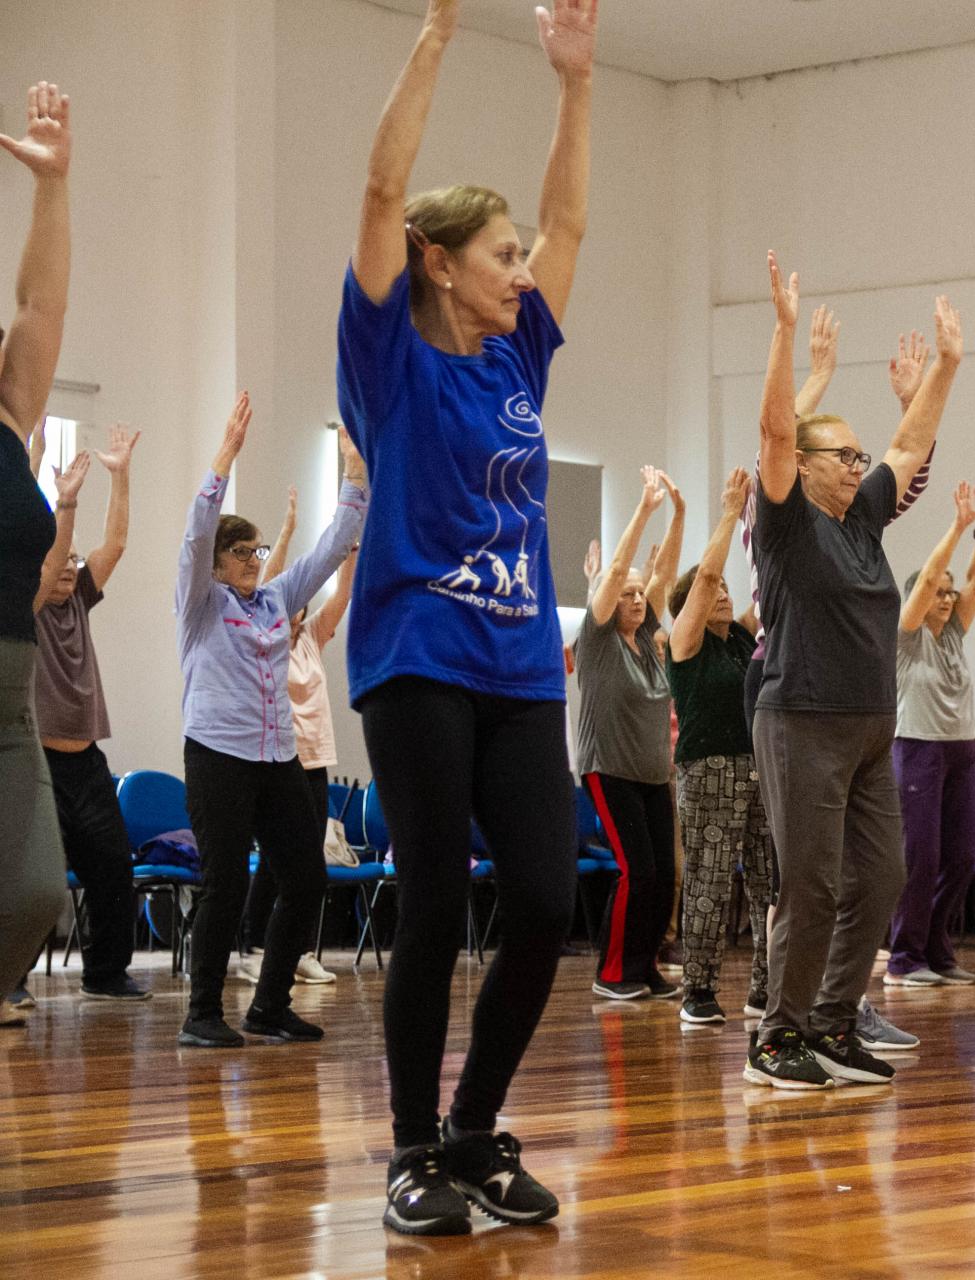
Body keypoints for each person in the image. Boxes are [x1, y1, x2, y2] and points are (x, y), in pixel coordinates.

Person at [337, 0, 597, 1235]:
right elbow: (385, 187)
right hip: (415, 653)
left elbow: (575, 219)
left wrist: (578, 84)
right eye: (502, 252)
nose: (524, 268)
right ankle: (407, 1149)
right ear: (442, 263)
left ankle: (475, 1126)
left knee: (548, 897)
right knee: (436, 894)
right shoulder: (392, 351)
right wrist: (436, 33)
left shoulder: (518, 356)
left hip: (517, 663)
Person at [745, 252, 961, 1090]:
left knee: (881, 876)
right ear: (802, 465)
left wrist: (946, 367)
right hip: (800, 717)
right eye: (840, 454)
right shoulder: (788, 525)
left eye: (855, 455)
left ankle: (833, 1023)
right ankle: (778, 1037)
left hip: (872, 727)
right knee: (810, 882)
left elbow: (910, 445)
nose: (855, 464)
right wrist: (786, 336)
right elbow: (772, 430)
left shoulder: (863, 520)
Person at [175, 394, 366, 1050]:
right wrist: (223, 459)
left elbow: (332, 548)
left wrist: (354, 477)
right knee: (223, 882)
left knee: (307, 878)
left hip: (277, 756)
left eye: (259, 552)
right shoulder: (201, 602)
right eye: (247, 552)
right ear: (222, 560)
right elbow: (198, 531)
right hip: (217, 755)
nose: (258, 561)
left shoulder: (276, 600)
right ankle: (202, 1013)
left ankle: (269, 1006)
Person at [0, 80, 77, 1030]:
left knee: (32, 894)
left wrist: (54, 185)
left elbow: (41, 303)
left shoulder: (11, 417)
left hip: (11, 699)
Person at [29, 422, 148, 1002]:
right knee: (38, 880)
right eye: (63, 562)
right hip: (37, 762)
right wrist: (64, 501)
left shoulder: (79, 595)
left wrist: (120, 475)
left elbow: (117, 543)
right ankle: (11, 982)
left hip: (87, 761)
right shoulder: (25, 604)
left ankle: (103, 974)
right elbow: (47, 562)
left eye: (76, 562)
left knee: (112, 869)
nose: (72, 568)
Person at [666, 467, 774, 1025]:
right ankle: (699, 992)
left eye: (728, 592)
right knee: (709, 880)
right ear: (692, 606)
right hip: (708, 772)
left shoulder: (737, 638)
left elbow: (767, 583)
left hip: (756, 768)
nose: (724, 595)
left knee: (767, 881)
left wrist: (766, 508)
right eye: (715, 594)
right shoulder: (687, 643)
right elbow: (707, 574)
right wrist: (730, 510)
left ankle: (765, 987)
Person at [237, 487, 356, 987]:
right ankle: (257, 947)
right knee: (282, 862)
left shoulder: (311, 639)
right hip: (275, 760)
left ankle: (298, 948)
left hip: (313, 761)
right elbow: (273, 581)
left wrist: (350, 553)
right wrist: (284, 533)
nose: (298, 606)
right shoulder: (261, 642)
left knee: (305, 864)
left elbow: (342, 596)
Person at [577, 465, 684, 1001]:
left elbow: (660, 575)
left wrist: (681, 515)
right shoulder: (597, 641)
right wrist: (644, 509)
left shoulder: (650, 643)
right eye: (626, 594)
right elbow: (623, 567)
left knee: (663, 877)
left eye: (640, 596)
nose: (637, 600)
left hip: (651, 774)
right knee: (636, 872)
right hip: (608, 769)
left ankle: (643, 968)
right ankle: (612, 972)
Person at [883, 480, 975, 988]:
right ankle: (904, 958)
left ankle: (936, 949)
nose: (947, 598)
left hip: (961, 752)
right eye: (939, 592)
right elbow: (929, 579)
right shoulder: (905, 637)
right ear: (920, 597)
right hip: (917, 749)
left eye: (951, 593)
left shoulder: (954, 632)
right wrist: (956, 527)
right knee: (920, 858)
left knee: (962, 857)